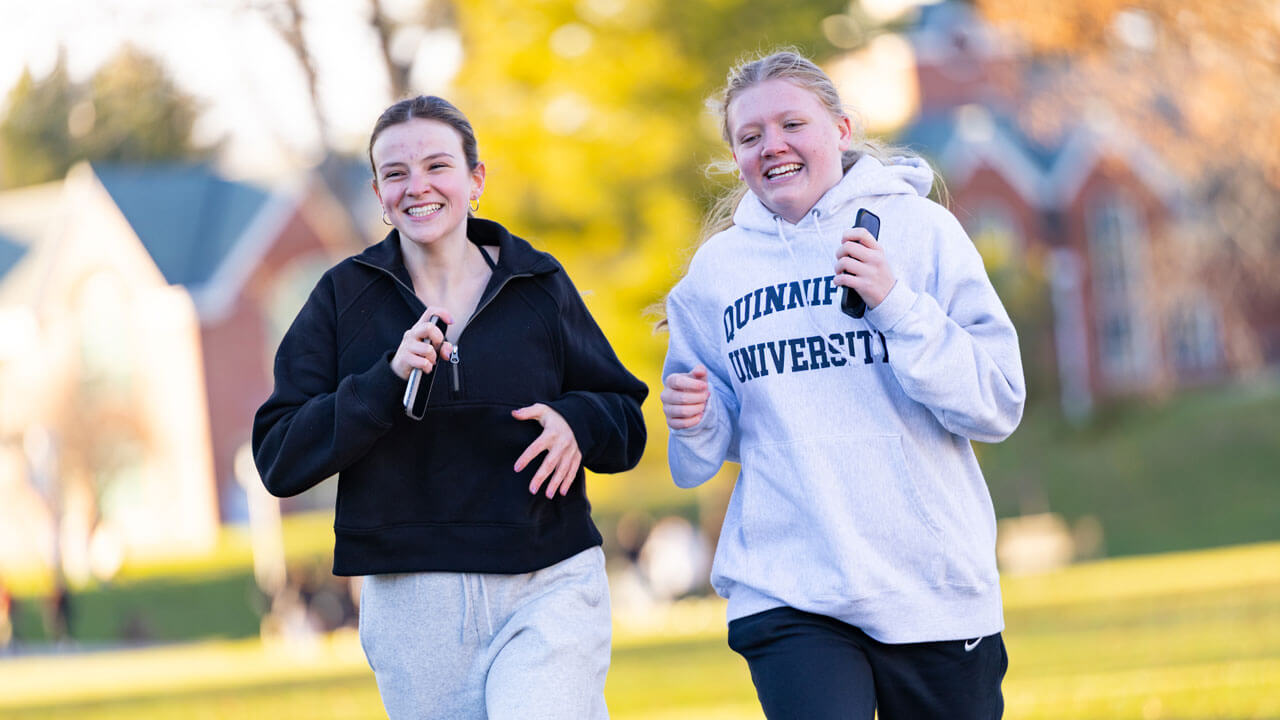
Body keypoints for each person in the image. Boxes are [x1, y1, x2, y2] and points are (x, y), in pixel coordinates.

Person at [253, 95, 647, 720]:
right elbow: (279, 456)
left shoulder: (537, 284)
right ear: (380, 194)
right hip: (414, 599)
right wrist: (386, 378)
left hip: (546, 578)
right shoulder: (341, 300)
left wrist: (579, 422)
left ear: (476, 179)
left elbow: (625, 419)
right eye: (396, 173)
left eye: (438, 165)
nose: (418, 187)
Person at [659, 50, 1025, 719]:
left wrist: (897, 304)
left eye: (791, 123)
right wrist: (693, 420)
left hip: (931, 587)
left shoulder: (920, 232)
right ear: (735, 155)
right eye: (750, 136)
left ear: (842, 129)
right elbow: (695, 462)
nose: (773, 146)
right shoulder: (715, 276)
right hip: (790, 589)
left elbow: (997, 403)